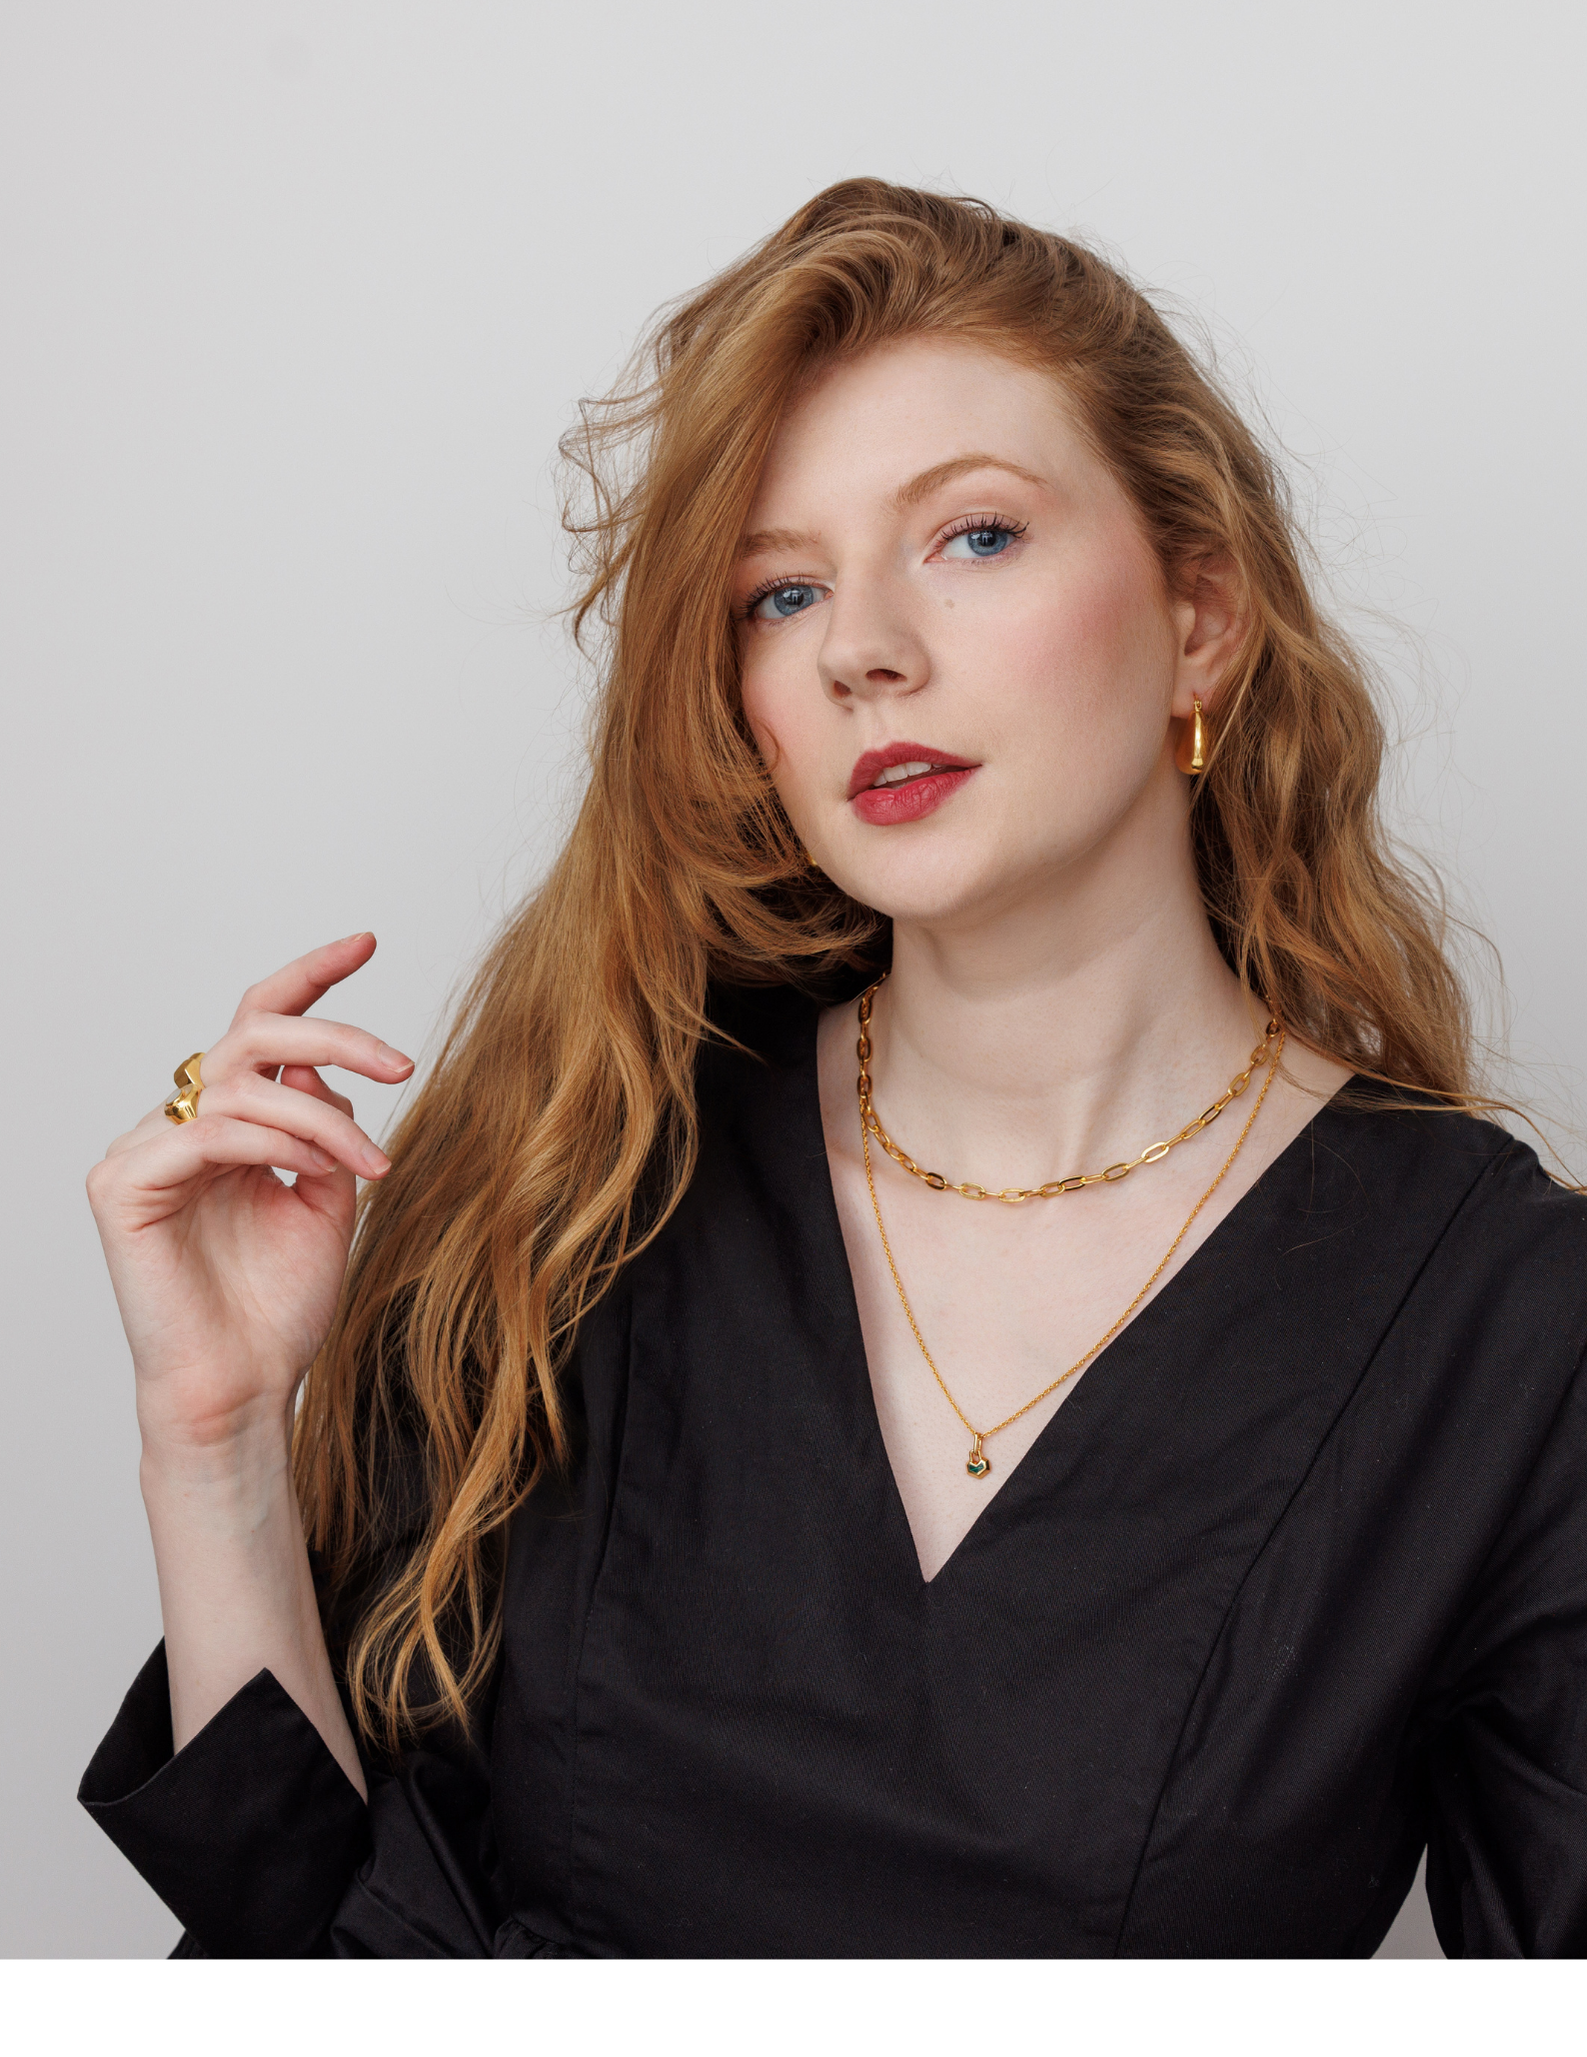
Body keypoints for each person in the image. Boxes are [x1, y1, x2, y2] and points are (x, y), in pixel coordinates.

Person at [81, 180, 1587, 1958]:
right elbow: (302, 1954)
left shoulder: (1502, 1318)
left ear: (1199, 618)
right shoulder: (585, 1183)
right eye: (780, 591)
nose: (862, 644)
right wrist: (220, 1438)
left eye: (973, 537)